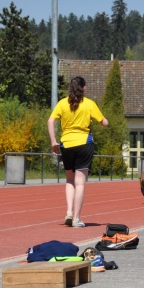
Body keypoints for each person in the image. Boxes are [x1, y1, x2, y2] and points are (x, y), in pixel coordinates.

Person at [48, 76, 109, 228]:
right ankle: (76, 218)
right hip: (84, 143)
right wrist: (103, 120)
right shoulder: (89, 104)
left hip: (66, 144)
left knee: (70, 180)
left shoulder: (62, 103)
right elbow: (104, 123)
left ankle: (69, 211)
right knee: (80, 183)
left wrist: (53, 141)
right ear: (84, 88)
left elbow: (50, 121)